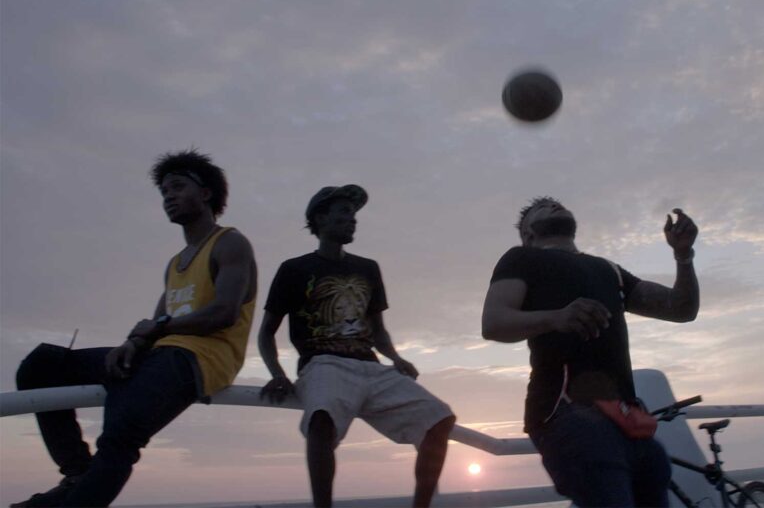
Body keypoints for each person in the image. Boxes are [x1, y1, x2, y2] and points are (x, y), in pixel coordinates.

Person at [13, 150, 258, 507]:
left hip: (200, 360)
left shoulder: (230, 243)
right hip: (160, 355)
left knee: (120, 435)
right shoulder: (176, 264)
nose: (168, 197)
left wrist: (157, 329)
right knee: (42, 365)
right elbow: (156, 323)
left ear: (206, 193)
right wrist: (132, 343)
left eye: (178, 187)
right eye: (164, 192)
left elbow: (224, 313)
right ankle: (77, 471)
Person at [481, 197, 700, 508]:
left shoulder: (609, 270)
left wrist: (683, 255)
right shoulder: (522, 258)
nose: (553, 205)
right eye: (541, 208)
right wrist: (556, 317)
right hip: (568, 415)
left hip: (629, 420)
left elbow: (681, 309)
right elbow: (493, 322)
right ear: (528, 234)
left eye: (556, 203)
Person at [258, 185, 455, 508]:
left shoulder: (368, 268)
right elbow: (266, 333)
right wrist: (277, 373)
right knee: (322, 416)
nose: (353, 220)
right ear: (320, 218)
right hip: (323, 363)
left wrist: (395, 358)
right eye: (344, 212)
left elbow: (377, 330)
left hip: (371, 366)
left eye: (354, 214)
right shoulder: (294, 269)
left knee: (439, 418)